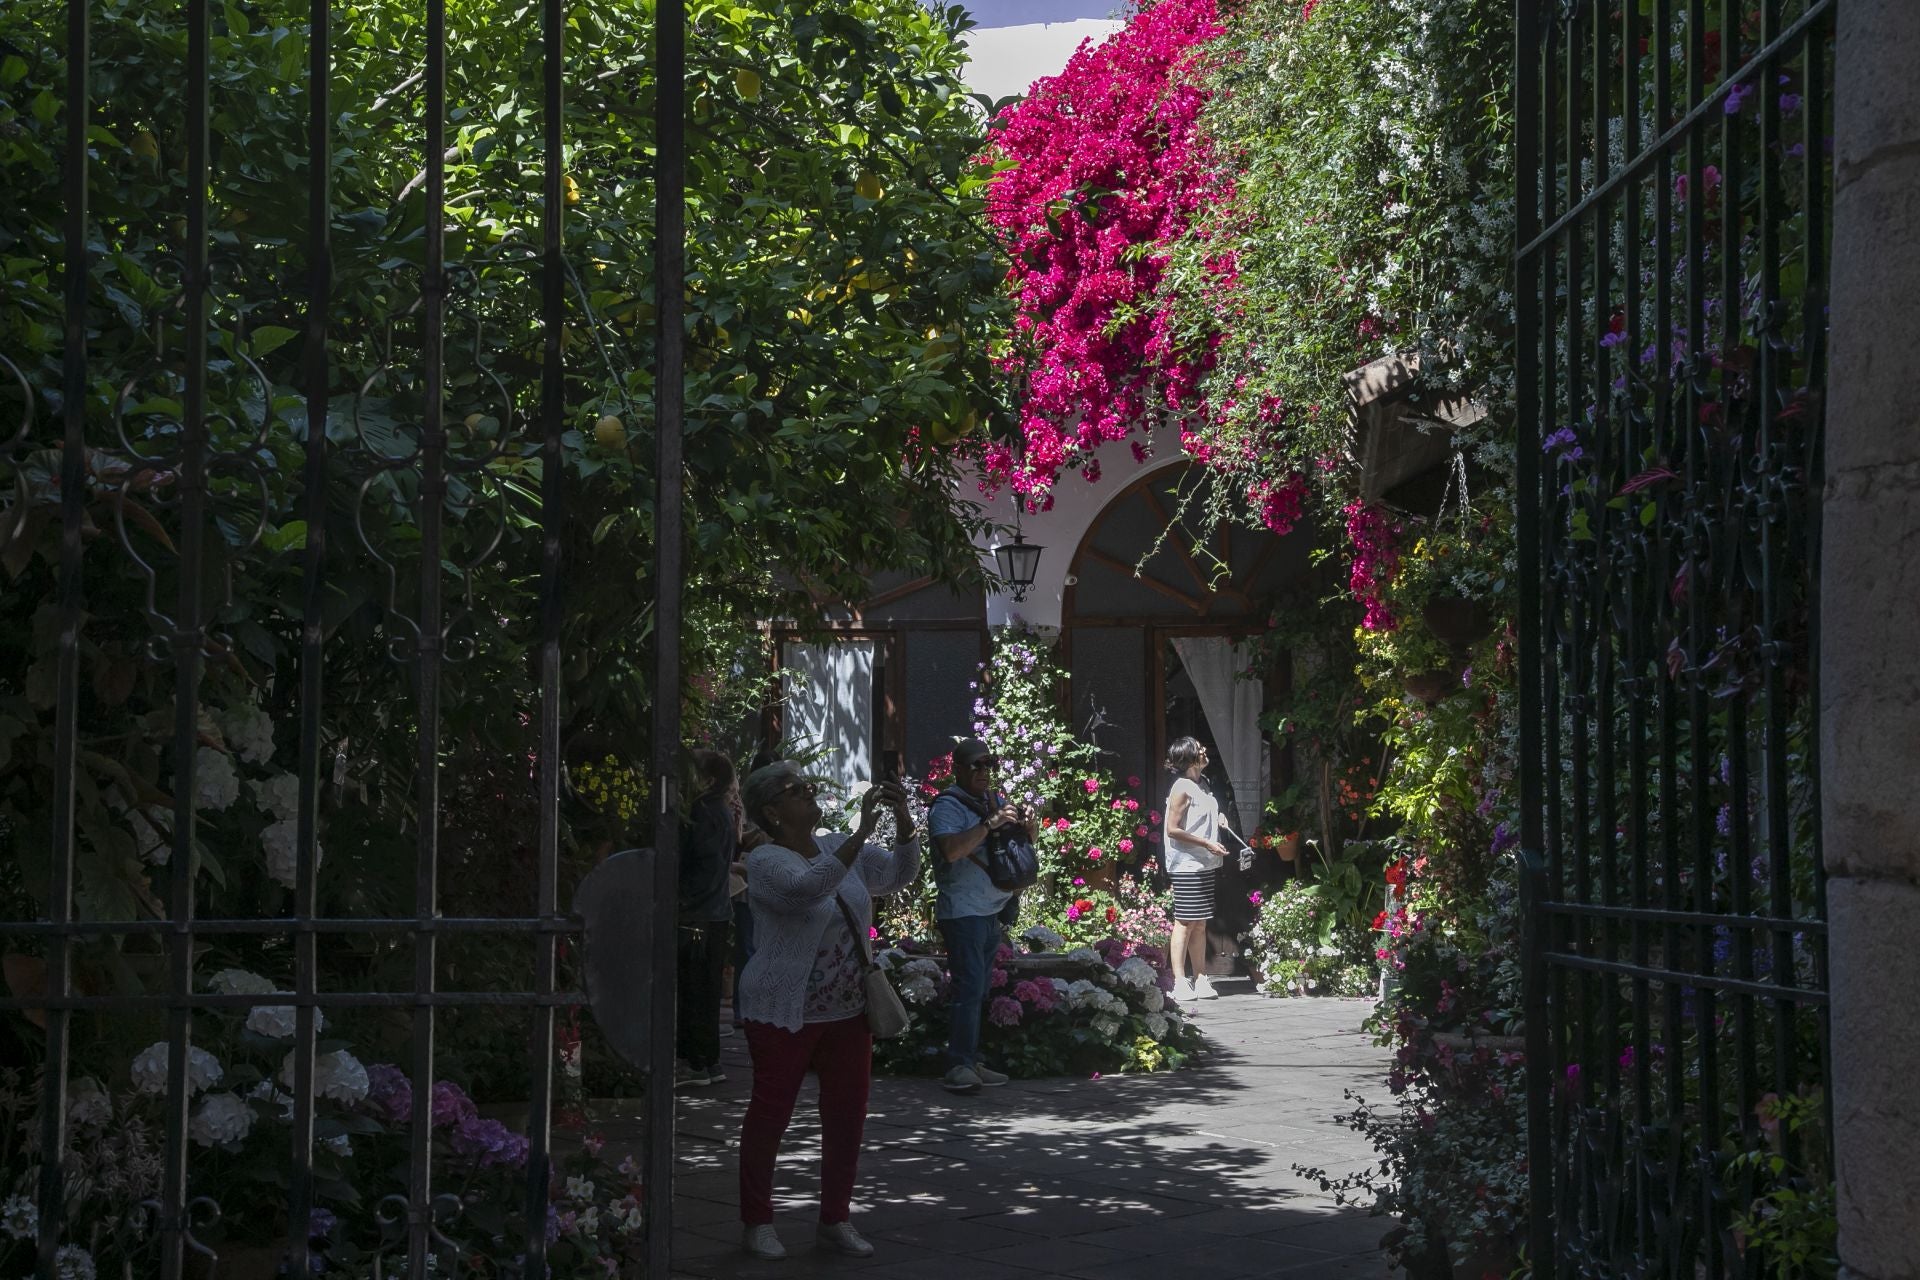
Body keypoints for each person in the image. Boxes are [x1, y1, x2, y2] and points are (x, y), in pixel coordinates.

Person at [734, 761, 919, 1261]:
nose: (810, 793)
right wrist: (860, 834)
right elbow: (806, 889)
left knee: (847, 1117)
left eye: (809, 786)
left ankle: (835, 1219)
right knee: (770, 1115)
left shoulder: (837, 845)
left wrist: (904, 822)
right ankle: (757, 1222)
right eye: (797, 790)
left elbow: (898, 875)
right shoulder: (765, 860)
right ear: (772, 811)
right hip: (782, 1009)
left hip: (848, 1009)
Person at [926, 737, 1028, 1096]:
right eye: (976, 765)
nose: (985, 771)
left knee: (979, 990)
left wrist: (1025, 828)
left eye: (989, 764)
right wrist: (989, 823)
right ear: (957, 768)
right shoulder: (947, 806)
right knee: (968, 987)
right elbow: (951, 851)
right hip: (962, 911)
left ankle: (970, 1059)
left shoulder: (993, 801)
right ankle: (958, 1065)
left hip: (991, 909)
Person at [677, 750, 738, 1087]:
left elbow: (697, 862)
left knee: (692, 989)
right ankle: (710, 1061)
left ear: (709, 779)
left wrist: (680, 898)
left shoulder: (701, 812)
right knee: (708, 990)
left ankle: (695, 1061)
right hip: (716, 911)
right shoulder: (721, 811)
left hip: (696, 913)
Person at [1162, 736, 1230, 1003]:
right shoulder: (1181, 787)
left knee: (1200, 922)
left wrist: (1218, 817)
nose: (1204, 751)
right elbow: (1172, 829)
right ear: (1189, 758)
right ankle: (1179, 981)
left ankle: (1200, 977)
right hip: (1186, 864)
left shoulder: (1203, 783)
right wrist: (1206, 843)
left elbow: (1201, 814)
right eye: (1199, 749)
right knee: (1184, 922)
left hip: (1204, 862)